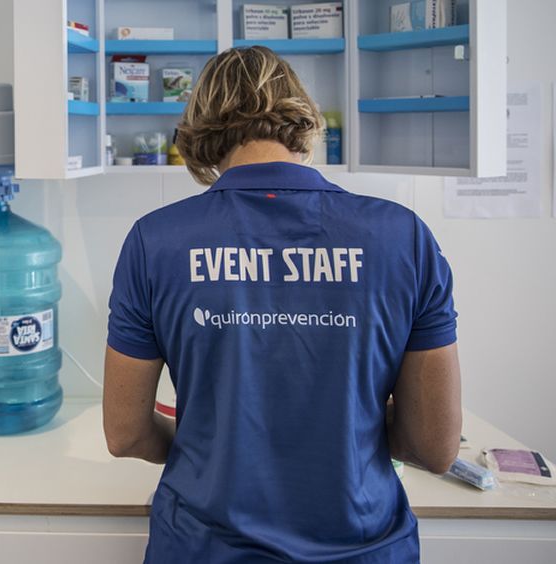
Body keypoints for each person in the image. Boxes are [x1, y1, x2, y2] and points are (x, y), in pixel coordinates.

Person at [102, 46, 462, 563]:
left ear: (201, 127)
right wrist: (349, 427)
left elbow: (125, 434)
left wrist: (208, 439)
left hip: (204, 548)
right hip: (362, 548)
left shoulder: (154, 242)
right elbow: (434, 447)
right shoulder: (403, 237)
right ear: (302, 118)